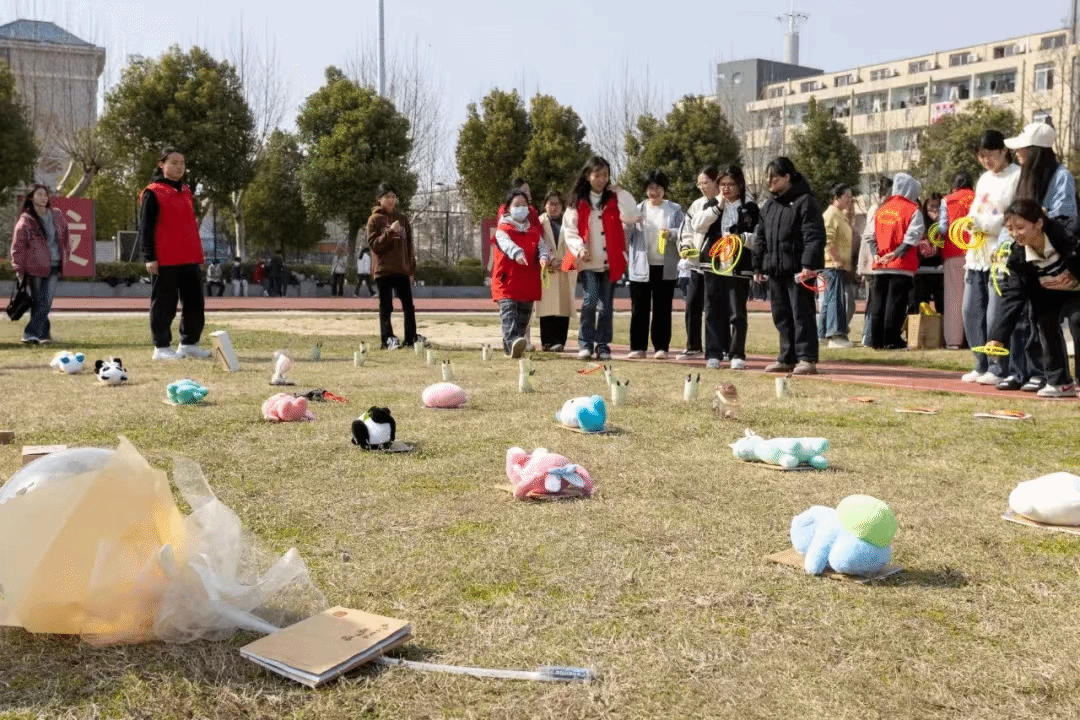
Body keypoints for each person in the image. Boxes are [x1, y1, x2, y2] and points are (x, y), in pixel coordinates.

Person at [993, 121, 1078, 391]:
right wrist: (1006, 245)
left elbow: (1065, 217)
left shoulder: (1060, 176)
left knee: (1074, 319)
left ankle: (1048, 374)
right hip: (1033, 260)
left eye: (1022, 148)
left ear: (1035, 151)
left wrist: (1040, 224)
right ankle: (1038, 374)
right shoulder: (1023, 178)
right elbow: (1013, 218)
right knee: (1035, 317)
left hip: (1062, 260)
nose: (1017, 153)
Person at [985, 200, 1080, 398]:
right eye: (1010, 229)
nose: (1015, 234)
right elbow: (1012, 297)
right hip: (1048, 294)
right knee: (1043, 322)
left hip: (1077, 290)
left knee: (1077, 319)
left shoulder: (1068, 234)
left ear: (1038, 223)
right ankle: (1060, 382)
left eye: (1020, 227)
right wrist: (997, 337)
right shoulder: (1017, 257)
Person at [562, 156, 641, 361]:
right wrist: (579, 248)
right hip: (589, 261)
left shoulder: (614, 199)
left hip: (609, 261)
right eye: (597, 175)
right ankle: (585, 343)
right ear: (588, 176)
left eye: (605, 175)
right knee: (590, 301)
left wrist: (621, 192)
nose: (601, 179)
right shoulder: (577, 202)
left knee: (606, 306)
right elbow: (569, 230)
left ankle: (603, 345)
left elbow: (633, 215)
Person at [752, 157, 826, 375]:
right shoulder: (769, 206)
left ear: (787, 177)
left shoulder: (805, 202)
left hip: (799, 271)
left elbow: (814, 235)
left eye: (774, 177)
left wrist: (809, 264)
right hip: (775, 269)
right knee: (781, 315)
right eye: (767, 177)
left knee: (801, 314)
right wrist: (758, 266)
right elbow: (760, 237)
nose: (769, 181)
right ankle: (786, 357)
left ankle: (806, 358)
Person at [140, 147, 211, 360]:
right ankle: (161, 347)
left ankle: (189, 343)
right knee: (165, 303)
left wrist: (198, 255)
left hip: (189, 256)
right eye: (174, 162)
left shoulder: (186, 191)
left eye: (182, 163)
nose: (179, 167)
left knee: (194, 303)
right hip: (166, 258)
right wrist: (149, 256)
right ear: (161, 165)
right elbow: (146, 227)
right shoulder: (153, 192)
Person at [961, 130, 1020, 385]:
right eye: (981, 156)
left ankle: (998, 367)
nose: (986, 161)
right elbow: (975, 210)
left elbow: (1010, 217)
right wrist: (969, 223)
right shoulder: (984, 179)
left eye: (990, 155)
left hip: (1000, 253)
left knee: (995, 314)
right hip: (977, 253)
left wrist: (984, 224)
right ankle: (980, 362)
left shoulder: (1016, 176)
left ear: (1004, 151)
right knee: (970, 310)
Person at [627, 170, 683, 360]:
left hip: (665, 266)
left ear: (664, 189)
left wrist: (671, 233)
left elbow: (684, 232)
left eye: (659, 187)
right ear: (645, 190)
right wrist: (629, 222)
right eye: (651, 188)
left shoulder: (674, 209)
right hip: (641, 266)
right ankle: (638, 347)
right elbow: (626, 235)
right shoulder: (637, 209)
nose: (655, 192)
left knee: (662, 308)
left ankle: (661, 347)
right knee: (639, 308)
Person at [865, 173, 925, 350]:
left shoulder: (881, 209)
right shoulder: (913, 210)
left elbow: (869, 235)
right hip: (901, 265)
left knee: (878, 304)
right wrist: (896, 254)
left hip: (880, 264)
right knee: (895, 304)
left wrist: (876, 254)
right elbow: (913, 237)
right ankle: (891, 340)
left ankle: (876, 340)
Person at [491, 189, 553, 357]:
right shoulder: (502, 230)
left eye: (524, 204)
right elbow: (506, 244)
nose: (521, 208)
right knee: (509, 316)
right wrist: (517, 253)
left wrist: (544, 257)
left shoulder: (533, 231)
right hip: (507, 283)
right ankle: (511, 343)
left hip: (528, 284)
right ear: (508, 208)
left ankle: (514, 347)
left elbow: (542, 247)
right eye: (517, 204)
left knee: (523, 320)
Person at [10, 184, 69, 344]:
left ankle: (34, 334)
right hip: (34, 268)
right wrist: (18, 269)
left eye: (45, 195)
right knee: (38, 302)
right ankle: (38, 335)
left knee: (46, 302)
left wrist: (65, 254)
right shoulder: (26, 220)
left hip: (54, 265)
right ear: (31, 197)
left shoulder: (56, 215)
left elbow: (65, 237)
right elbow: (17, 247)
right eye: (39, 194)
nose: (43, 198)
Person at [714, 166, 759, 368]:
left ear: (740, 185)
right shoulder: (714, 206)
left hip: (739, 266)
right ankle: (719, 350)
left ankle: (737, 353)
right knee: (717, 311)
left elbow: (759, 238)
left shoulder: (750, 208)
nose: (726, 188)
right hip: (716, 266)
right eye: (722, 184)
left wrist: (740, 238)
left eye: (730, 184)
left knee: (737, 312)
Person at [367, 183, 420, 349]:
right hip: (383, 270)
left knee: (408, 306)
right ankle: (388, 339)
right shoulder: (374, 220)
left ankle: (411, 338)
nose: (391, 200)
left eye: (393, 197)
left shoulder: (403, 219)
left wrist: (411, 269)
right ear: (379, 199)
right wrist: (390, 232)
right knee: (386, 306)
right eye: (387, 197)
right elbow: (375, 245)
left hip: (401, 269)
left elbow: (409, 246)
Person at [937, 173, 975, 349]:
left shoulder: (947, 200)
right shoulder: (979, 197)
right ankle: (975, 339)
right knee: (976, 297)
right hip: (976, 251)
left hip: (953, 252)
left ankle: (953, 341)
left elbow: (942, 228)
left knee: (953, 298)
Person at [536, 191, 575, 351]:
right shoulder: (539, 222)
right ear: (545, 205)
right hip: (547, 268)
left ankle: (560, 341)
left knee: (563, 306)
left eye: (557, 204)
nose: (554, 207)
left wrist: (566, 262)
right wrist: (549, 261)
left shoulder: (569, 221)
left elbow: (575, 242)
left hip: (565, 269)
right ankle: (547, 342)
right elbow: (536, 243)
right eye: (551, 204)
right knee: (547, 306)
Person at [819, 184, 855, 348]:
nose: (850, 200)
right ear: (836, 197)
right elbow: (827, 239)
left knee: (829, 299)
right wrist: (835, 259)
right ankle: (835, 335)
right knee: (835, 299)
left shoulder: (840, 215)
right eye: (847, 196)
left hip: (837, 265)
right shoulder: (831, 214)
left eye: (851, 197)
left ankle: (823, 334)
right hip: (833, 265)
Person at [858, 177, 893, 346]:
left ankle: (868, 335)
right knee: (874, 301)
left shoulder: (881, 208)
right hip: (873, 262)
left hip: (876, 262)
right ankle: (868, 335)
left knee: (874, 300)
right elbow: (871, 238)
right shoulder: (877, 209)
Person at [912, 192, 944, 315]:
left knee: (942, 305)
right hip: (922, 271)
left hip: (940, 270)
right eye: (932, 206)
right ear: (926, 207)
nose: (935, 210)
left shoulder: (945, 223)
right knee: (920, 305)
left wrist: (940, 222)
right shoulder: (920, 222)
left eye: (938, 206)